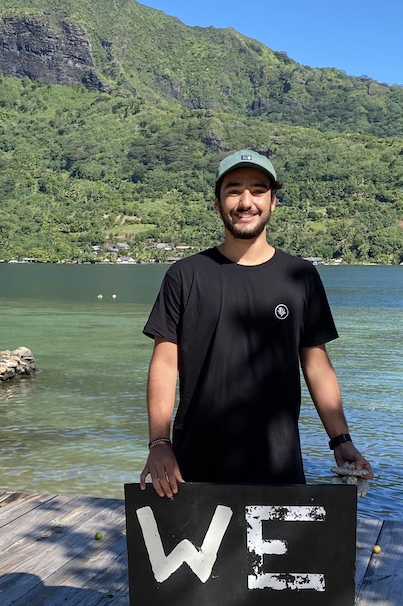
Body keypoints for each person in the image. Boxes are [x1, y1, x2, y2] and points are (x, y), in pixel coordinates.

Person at [139, 148, 373, 497]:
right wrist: (159, 443)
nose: (245, 201)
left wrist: (341, 439)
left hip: (278, 465)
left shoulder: (300, 276)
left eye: (258, 190)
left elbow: (317, 365)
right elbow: (165, 361)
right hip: (193, 466)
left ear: (272, 202)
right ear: (217, 203)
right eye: (233, 190)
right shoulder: (185, 276)